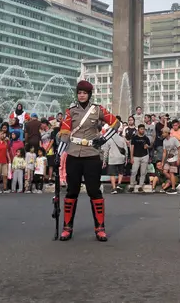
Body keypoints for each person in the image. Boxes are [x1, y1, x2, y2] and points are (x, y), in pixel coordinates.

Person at [55, 80, 121, 242]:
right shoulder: (71, 112)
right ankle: (67, 227)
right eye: (79, 93)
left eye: (84, 93)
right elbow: (65, 132)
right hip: (73, 155)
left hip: (92, 155)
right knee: (72, 191)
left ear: (89, 94)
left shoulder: (97, 110)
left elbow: (115, 123)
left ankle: (100, 228)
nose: (82, 95)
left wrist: (103, 139)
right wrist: (58, 153)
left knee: (94, 191)